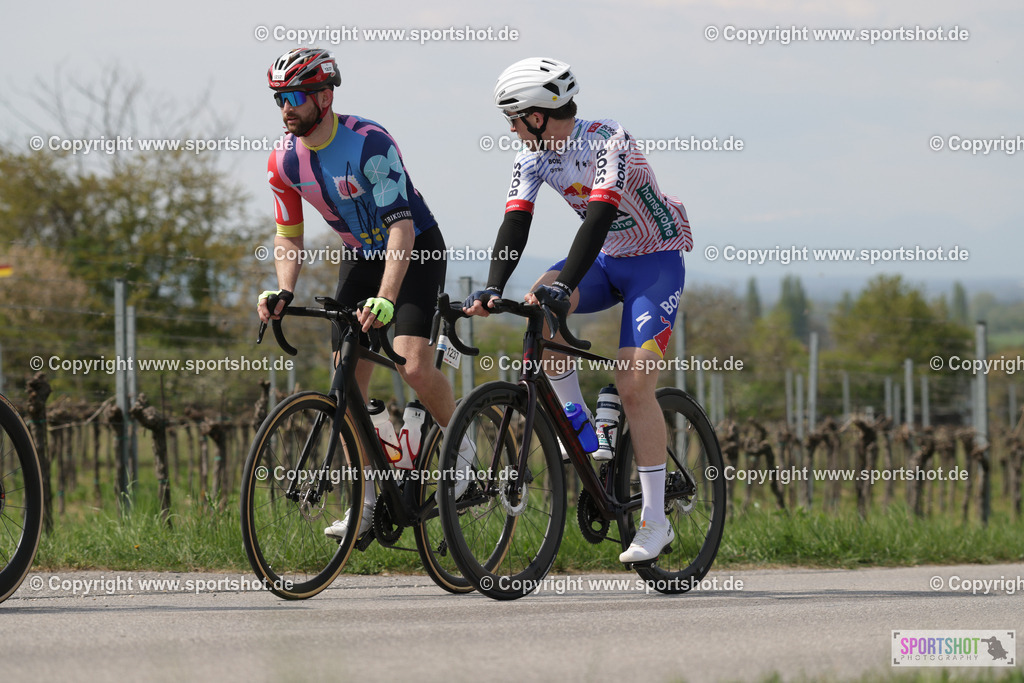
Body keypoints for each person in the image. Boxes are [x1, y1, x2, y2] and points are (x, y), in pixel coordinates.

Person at [463, 57, 693, 564]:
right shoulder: (532, 157)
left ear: (537, 116)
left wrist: (566, 285)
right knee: (537, 304)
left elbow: (599, 216)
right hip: (606, 261)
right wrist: (492, 287)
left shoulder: (609, 140)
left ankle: (655, 521)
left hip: (654, 263)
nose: (510, 129)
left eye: (513, 118)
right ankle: (582, 426)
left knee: (634, 386)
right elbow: (515, 223)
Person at [257, 47, 472, 541]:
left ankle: (463, 455)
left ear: (324, 97)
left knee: (412, 364)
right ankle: (369, 502)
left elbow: (401, 227)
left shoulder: (369, 143)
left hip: (413, 248)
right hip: (359, 254)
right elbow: (288, 233)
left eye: (295, 96)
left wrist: (388, 298)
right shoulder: (283, 161)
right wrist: (284, 289)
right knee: (346, 380)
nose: (286, 108)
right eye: (278, 98)